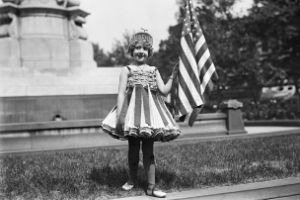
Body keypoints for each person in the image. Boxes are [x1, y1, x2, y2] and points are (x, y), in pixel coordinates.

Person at [101, 31, 180, 198]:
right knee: (133, 149)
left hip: (150, 116)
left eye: (145, 48)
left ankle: (151, 187)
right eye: (137, 48)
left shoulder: (153, 70)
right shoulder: (126, 70)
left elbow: (164, 90)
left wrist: (173, 76)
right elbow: (121, 93)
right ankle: (131, 179)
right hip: (131, 114)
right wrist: (121, 116)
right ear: (131, 50)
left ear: (149, 52)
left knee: (148, 150)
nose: (141, 51)